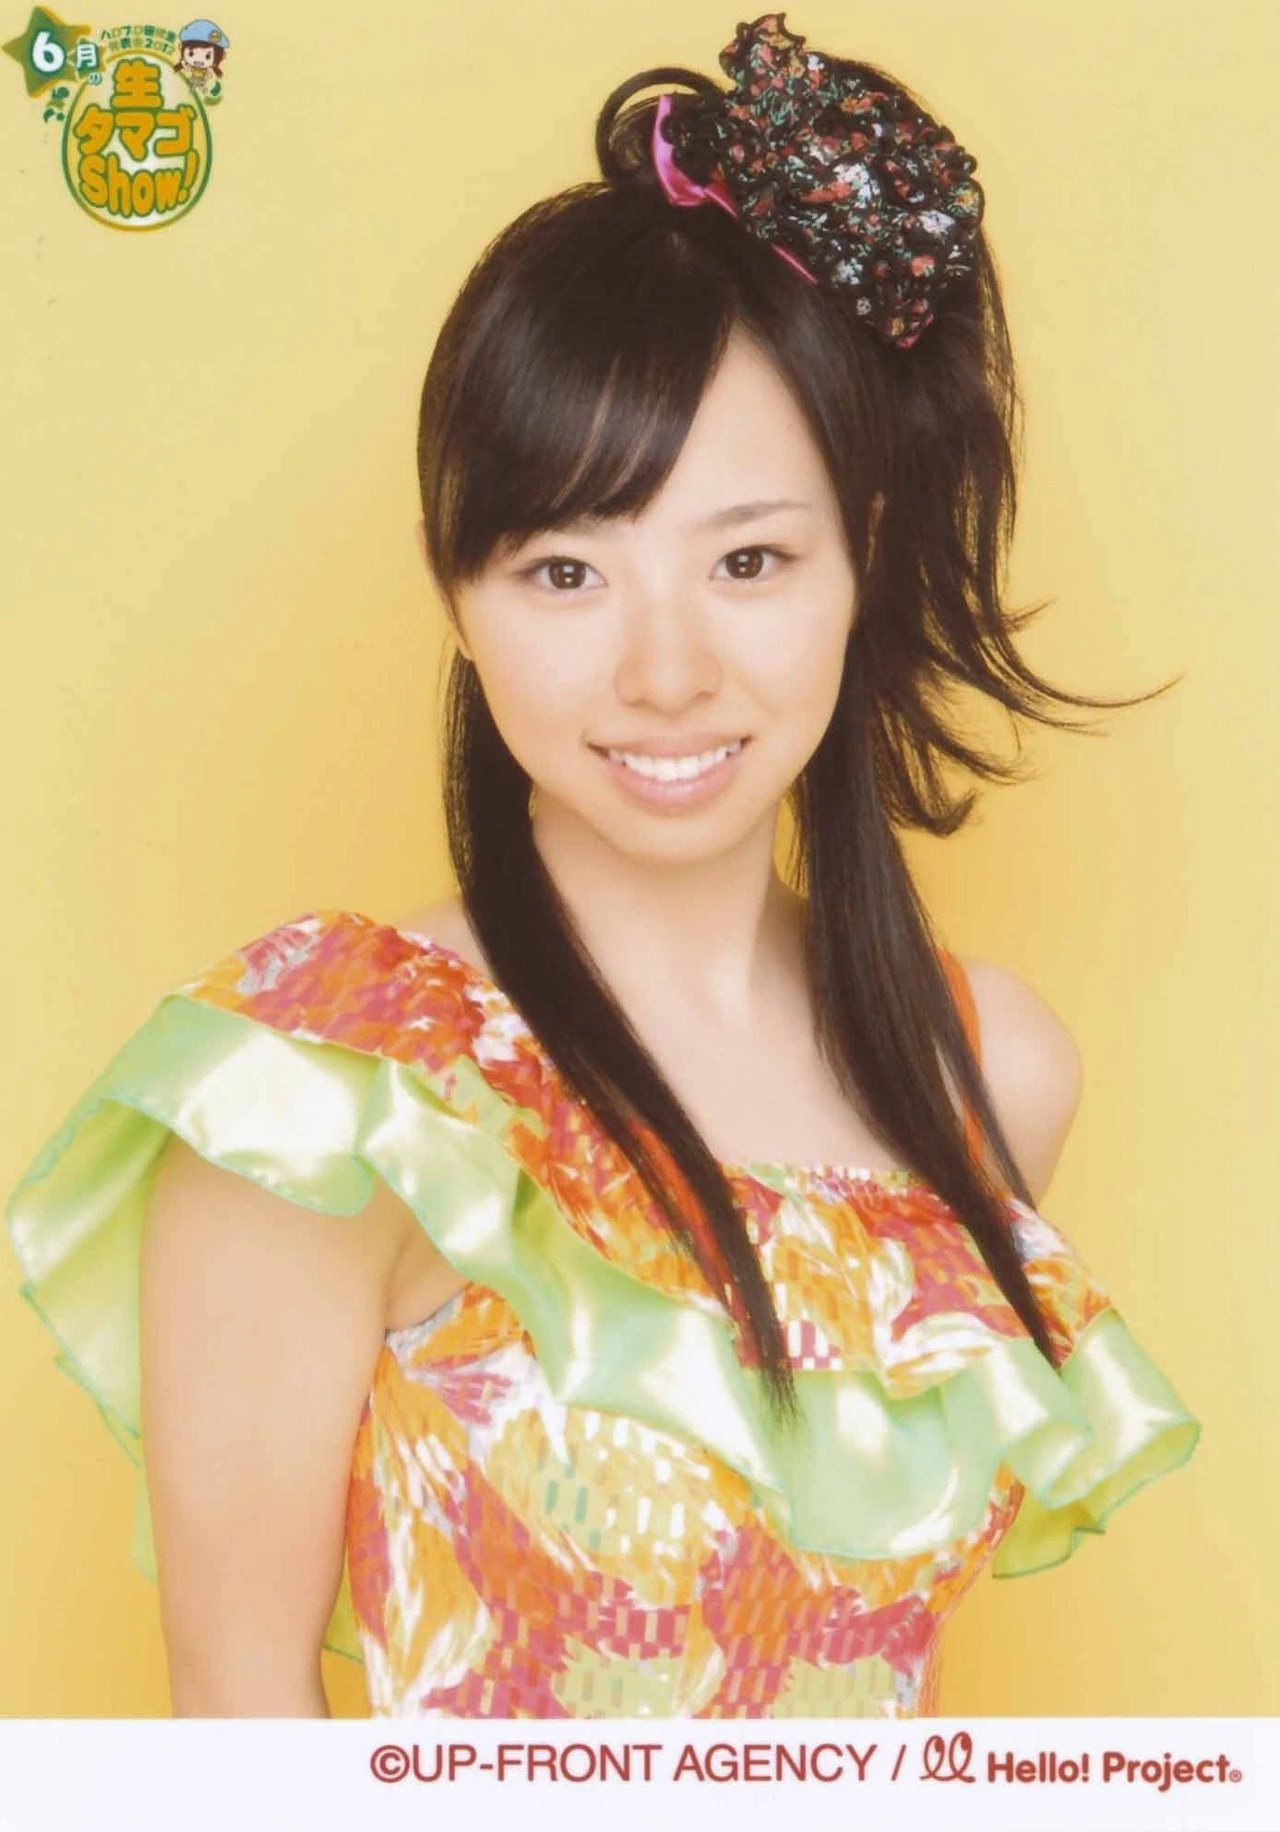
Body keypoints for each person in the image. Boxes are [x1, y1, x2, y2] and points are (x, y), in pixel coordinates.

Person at [4, 11, 1199, 1719]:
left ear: (860, 561)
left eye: (749, 561)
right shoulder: (328, 1098)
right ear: (456, 593)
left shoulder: (986, 1070)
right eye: (566, 572)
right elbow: (235, 1716)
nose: (666, 672)